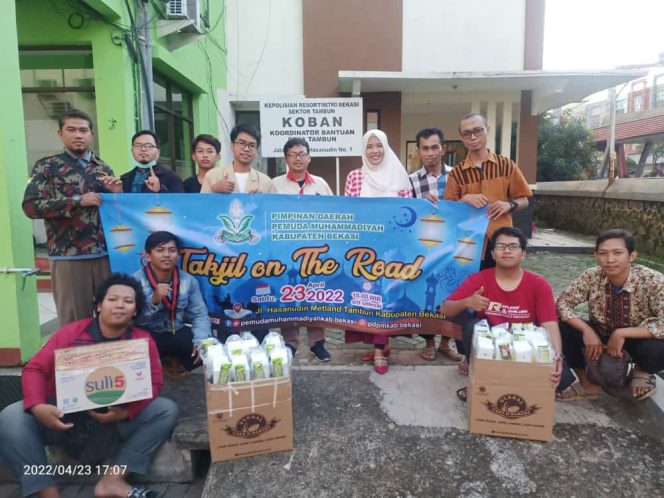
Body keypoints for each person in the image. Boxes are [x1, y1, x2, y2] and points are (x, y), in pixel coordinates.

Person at [0, 273, 178, 498]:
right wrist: (38, 407)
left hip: (113, 422)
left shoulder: (142, 341)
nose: (120, 305)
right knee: (12, 416)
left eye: (128, 301)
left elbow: (154, 383)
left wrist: (124, 412)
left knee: (166, 409)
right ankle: (46, 491)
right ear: (99, 305)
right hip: (64, 418)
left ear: (135, 310)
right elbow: (34, 368)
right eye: (112, 299)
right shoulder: (70, 333)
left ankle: (113, 481)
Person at [440, 227, 567, 402]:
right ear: (492, 254)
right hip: (491, 342)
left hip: (526, 342)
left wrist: (557, 357)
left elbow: (549, 323)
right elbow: (445, 309)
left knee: (560, 380)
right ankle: (477, 377)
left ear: (523, 254)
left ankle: (516, 381)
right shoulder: (480, 279)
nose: (507, 250)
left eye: (513, 246)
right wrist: (467, 302)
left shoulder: (539, 284)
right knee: (471, 327)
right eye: (501, 246)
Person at [22, 109, 122, 325]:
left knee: (112, 318)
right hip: (69, 256)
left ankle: (105, 359)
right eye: (72, 130)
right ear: (60, 134)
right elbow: (31, 207)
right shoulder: (47, 167)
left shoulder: (103, 167)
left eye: (83, 130)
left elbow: (117, 213)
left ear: (91, 134)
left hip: (105, 255)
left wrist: (118, 196)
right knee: (75, 321)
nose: (78, 135)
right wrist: (77, 200)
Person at [557, 229, 664, 401]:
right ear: (595, 255)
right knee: (561, 328)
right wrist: (586, 330)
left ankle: (643, 372)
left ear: (632, 255)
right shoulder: (591, 276)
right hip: (600, 335)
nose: (610, 260)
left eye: (618, 253)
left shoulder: (653, 280)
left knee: (657, 347)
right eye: (603, 253)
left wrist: (622, 333)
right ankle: (587, 383)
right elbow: (562, 303)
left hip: (639, 338)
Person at [344, 129, 412, 374]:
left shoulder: (400, 176)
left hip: (393, 251)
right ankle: (378, 345)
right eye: (369, 146)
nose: (374, 151)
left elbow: (409, 214)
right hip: (364, 250)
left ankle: (380, 349)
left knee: (388, 298)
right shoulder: (354, 177)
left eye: (379, 145)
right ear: (364, 150)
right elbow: (350, 212)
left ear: (386, 147)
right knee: (366, 298)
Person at [444, 113, 532, 270]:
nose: (473, 137)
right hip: (469, 244)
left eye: (478, 130)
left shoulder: (506, 165)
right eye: (467, 133)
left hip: (502, 241)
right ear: (461, 137)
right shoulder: (456, 173)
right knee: (474, 289)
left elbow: (524, 199)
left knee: (502, 287)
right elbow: (448, 210)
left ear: (487, 130)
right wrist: (464, 200)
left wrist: (509, 204)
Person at [273, 137, 333, 361]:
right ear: (285, 158)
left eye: (302, 153)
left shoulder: (321, 184)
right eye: (293, 154)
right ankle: (290, 342)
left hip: (316, 253)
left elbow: (334, 213)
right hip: (285, 252)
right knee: (288, 295)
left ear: (309, 157)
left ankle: (317, 343)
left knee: (315, 295)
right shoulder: (274, 184)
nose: (298, 158)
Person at [408, 127, 461, 363]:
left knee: (451, 291)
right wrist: (420, 204)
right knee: (426, 295)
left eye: (434, 147)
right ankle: (428, 341)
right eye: (425, 148)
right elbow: (405, 212)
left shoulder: (459, 176)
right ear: (418, 151)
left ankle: (446, 342)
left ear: (443, 149)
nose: (430, 153)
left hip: (453, 246)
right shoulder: (409, 181)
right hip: (424, 247)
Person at [133, 231, 217, 379]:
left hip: (176, 329)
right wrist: (154, 300)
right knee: (137, 365)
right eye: (160, 250)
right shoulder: (134, 282)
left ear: (178, 256)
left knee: (211, 351)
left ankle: (178, 363)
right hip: (148, 333)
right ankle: (160, 365)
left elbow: (199, 314)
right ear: (148, 256)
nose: (167, 255)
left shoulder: (188, 280)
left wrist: (201, 341)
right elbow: (132, 319)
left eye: (172, 250)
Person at [200, 124, 276, 194]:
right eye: (242, 143)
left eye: (252, 145)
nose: (246, 149)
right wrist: (213, 190)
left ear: (257, 151)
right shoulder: (213, 176)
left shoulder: (266, 182)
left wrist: (261, 200)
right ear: (232, 146)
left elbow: (271, 207)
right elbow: (201, 205)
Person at [121, 130, 185, 194]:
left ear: (158, 152)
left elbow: (179, 202)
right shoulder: (124, 179)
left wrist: (158, 190)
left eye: (149, 146)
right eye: (138, 146)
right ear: (132, 151)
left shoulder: (172, 178)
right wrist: (118, 193)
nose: (143, 149)